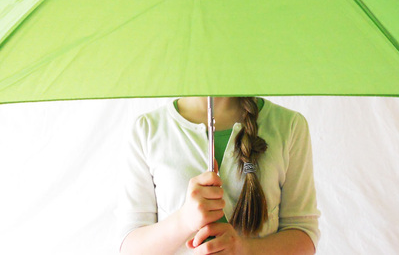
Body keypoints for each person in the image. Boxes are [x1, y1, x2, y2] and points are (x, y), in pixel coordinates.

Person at [117, 97, 320, 254]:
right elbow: (130, 247)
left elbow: (304, 235)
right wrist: (184, 220)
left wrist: (244, 250)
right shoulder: (147, 129)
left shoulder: (289, 126)